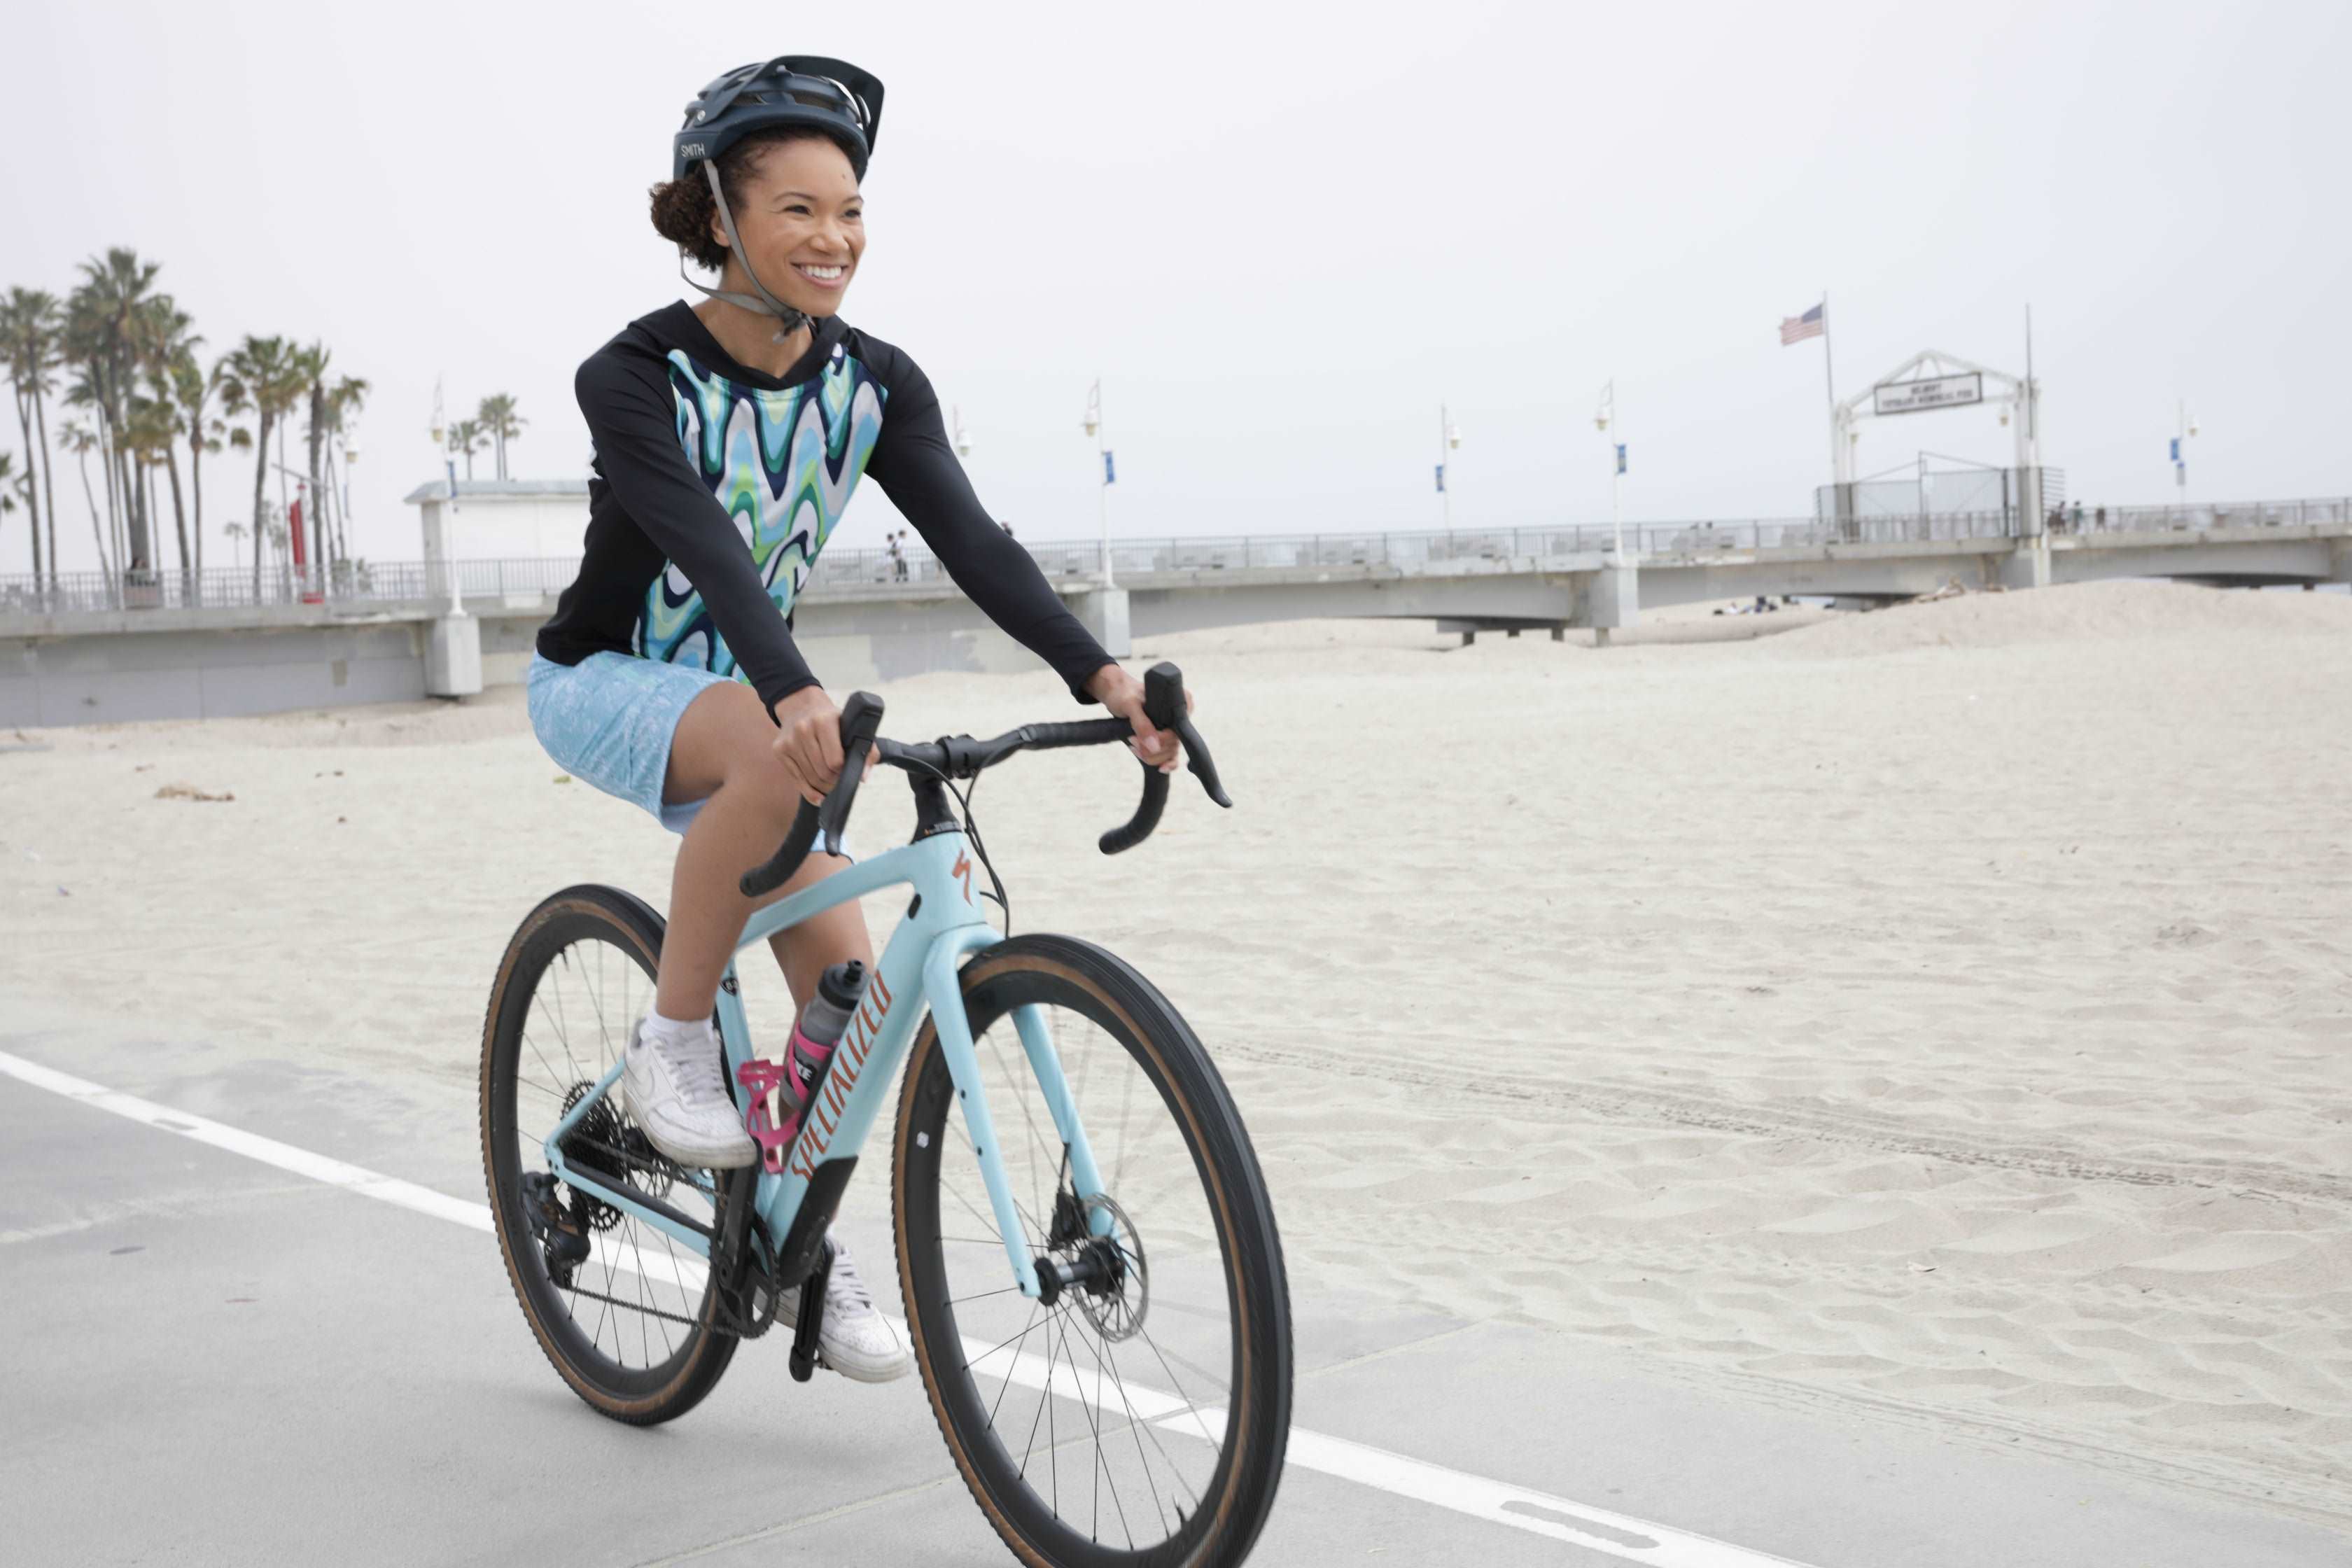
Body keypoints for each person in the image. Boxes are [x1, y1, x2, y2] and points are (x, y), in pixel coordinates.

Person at [526, 55, 1183, 1381]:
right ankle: (666, 1050)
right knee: (772, 756)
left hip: (761, 698)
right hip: (608, 682)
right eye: (798, 211)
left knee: (844, 993)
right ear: (719, 216)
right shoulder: (635, 375)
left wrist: (1101, 678)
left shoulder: (873, 382)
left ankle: (795, 1254)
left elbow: (974, 543)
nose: (835, 241)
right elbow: (704, 542)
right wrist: (789, 689)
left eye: (853, 211)